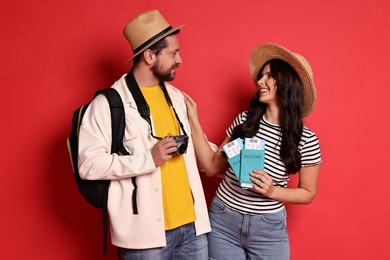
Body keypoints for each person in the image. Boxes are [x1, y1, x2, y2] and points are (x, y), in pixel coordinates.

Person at [78, 10, 211, 259]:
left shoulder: (177, 97)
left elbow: (190, 149)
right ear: (150, 55)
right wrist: (149, 159)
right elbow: (89, 164)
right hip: (145, 238)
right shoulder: (109, 103)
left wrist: (230, 150)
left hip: (193, 227)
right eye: (173, 53)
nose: (180, 59)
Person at [183, 42, 322, 259]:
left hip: (268, 230)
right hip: (223, 219)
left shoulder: (306, 139)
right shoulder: (244, 121)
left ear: (286, 82)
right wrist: (193, 120)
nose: (259, 81)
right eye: (261, 76)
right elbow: (211, 168)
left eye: (268, 76)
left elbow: (308, 193)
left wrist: (273, 191)